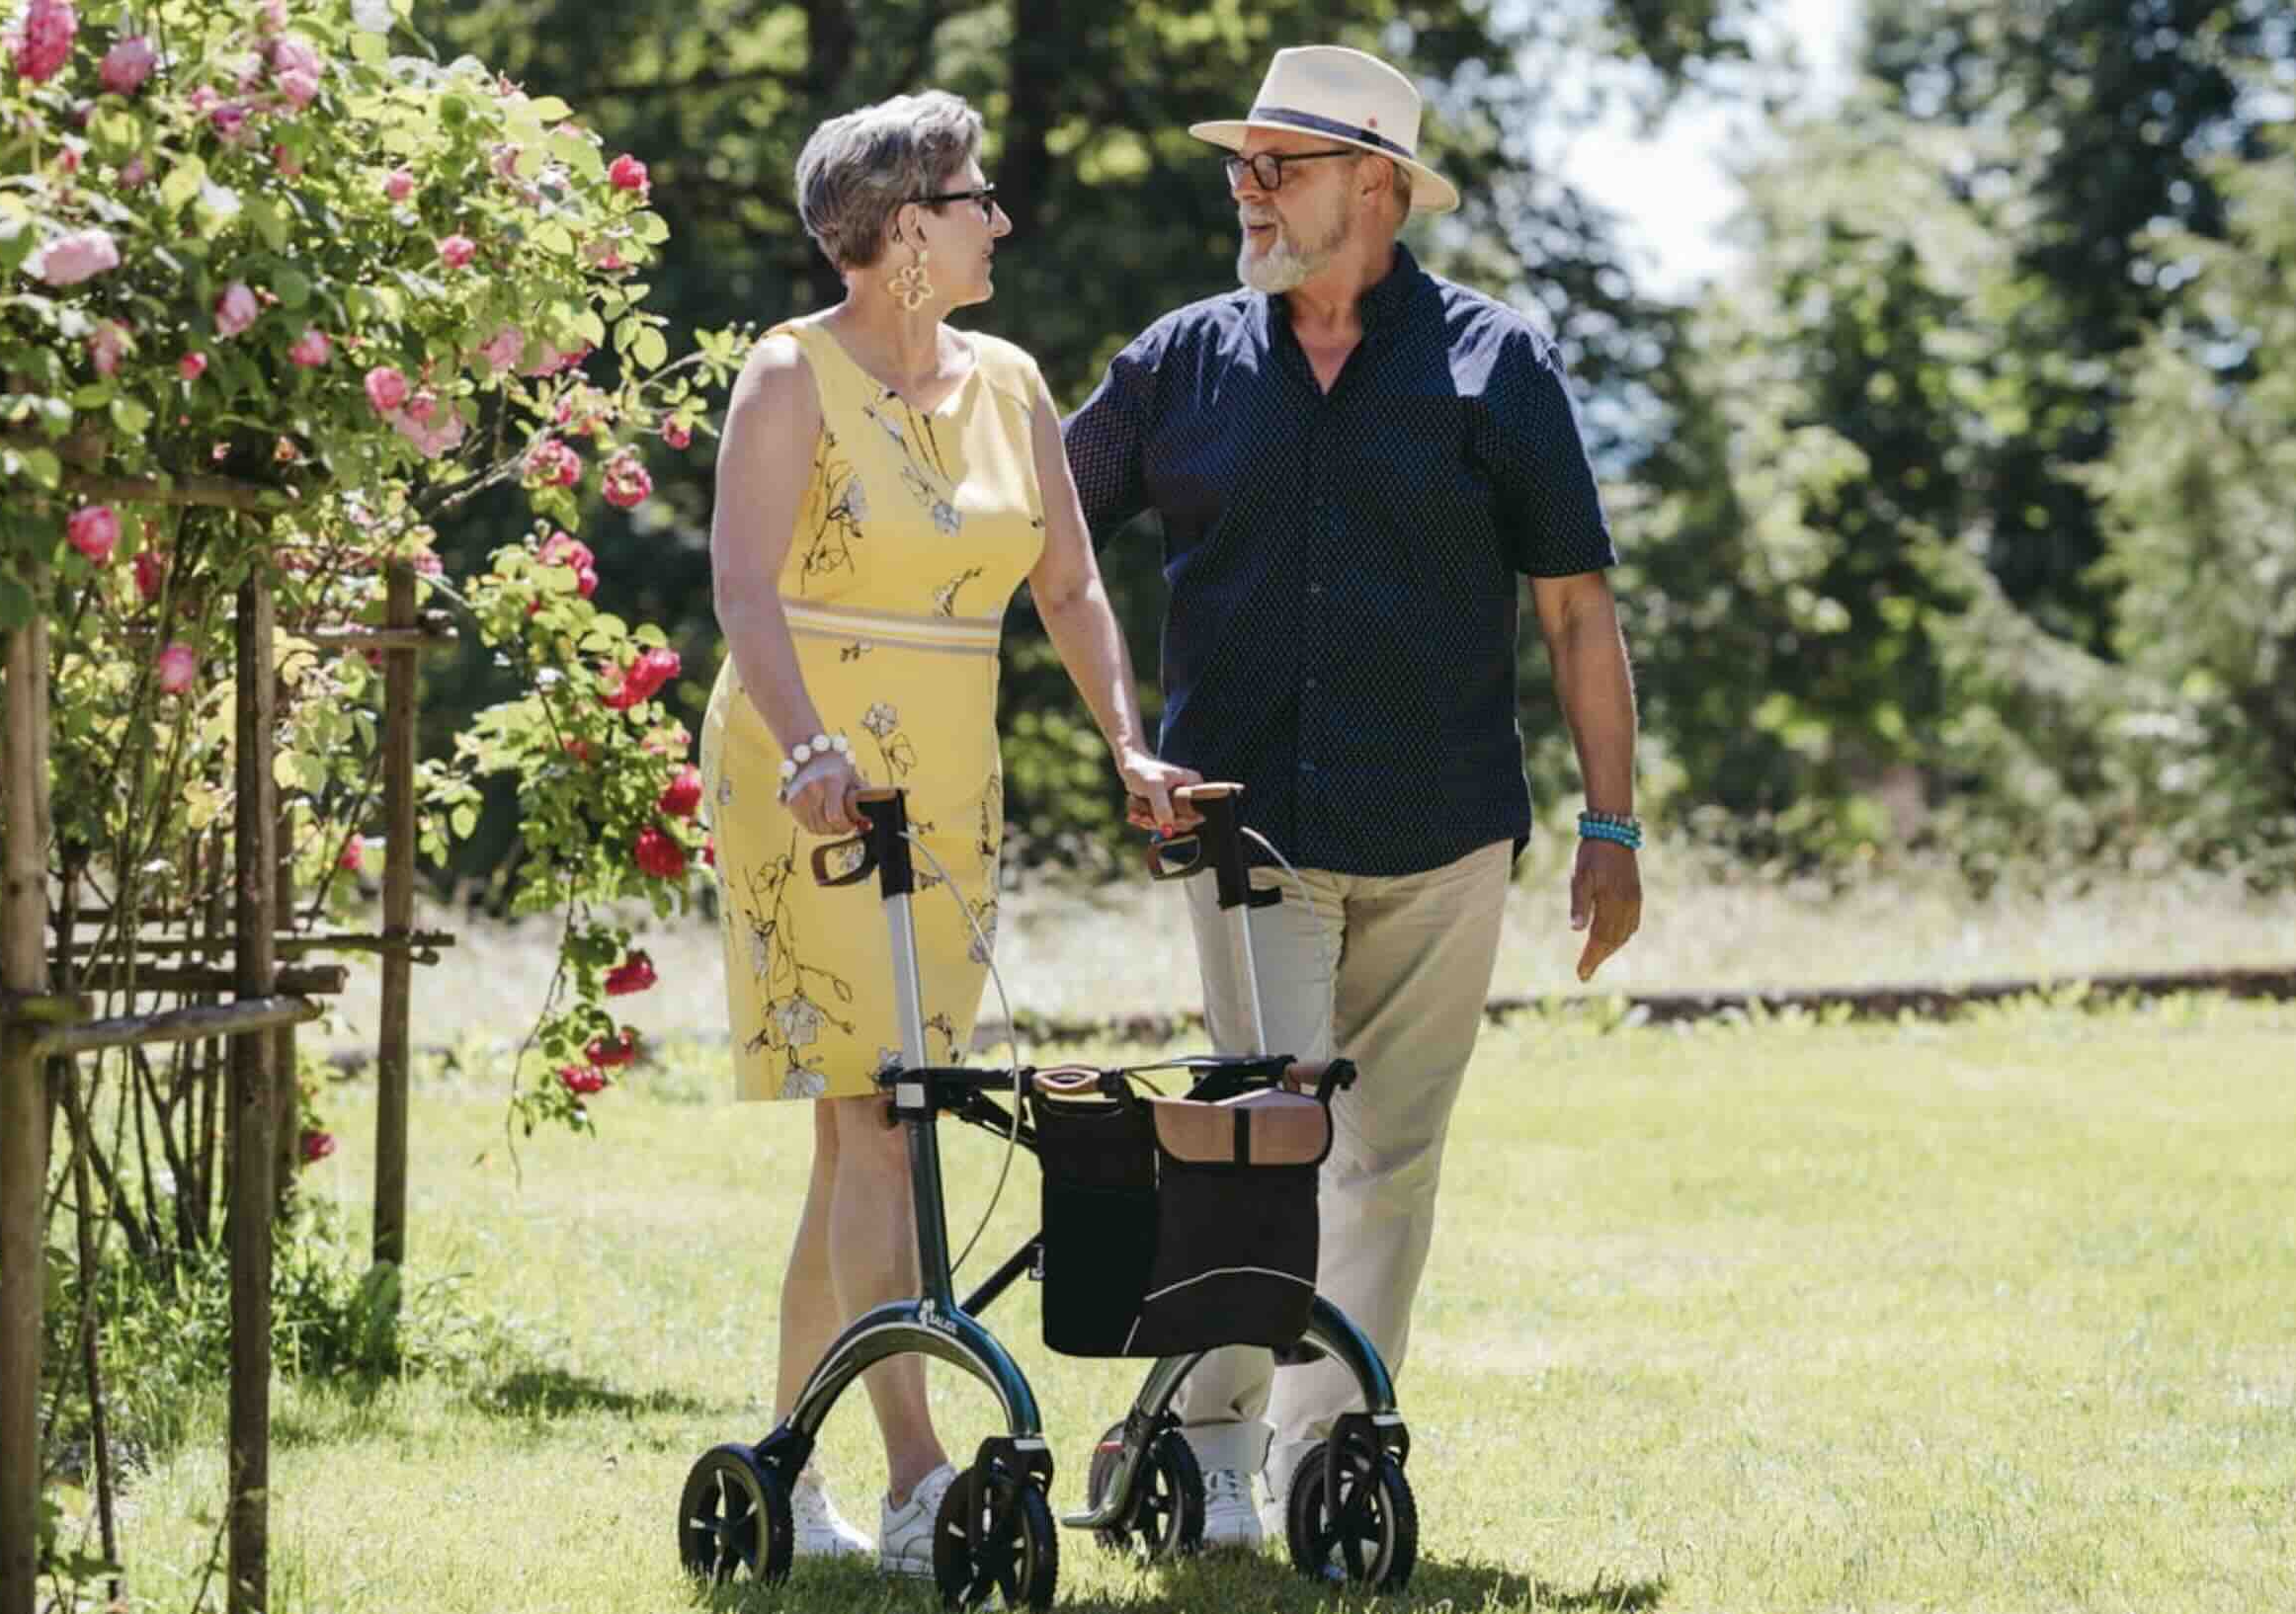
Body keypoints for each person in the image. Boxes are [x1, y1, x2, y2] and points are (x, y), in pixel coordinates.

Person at [1061, 43, 1647, 1549]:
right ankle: (1206, 1458)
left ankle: (1334, 1462)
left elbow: (1579, 611)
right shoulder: (1180, 360)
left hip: (1444, 832)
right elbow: (1040, 532)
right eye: (1242, 164)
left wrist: (1612, 824)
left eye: (1284, 164)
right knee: (1262, 1136)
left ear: (1378, 187)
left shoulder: (1492, 365)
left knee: (1388, 1158)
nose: (1248, 189)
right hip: (1244, 832)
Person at [700, 89, 1198, 1574]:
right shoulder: (789, 376)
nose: (999, 217)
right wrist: (804, 747)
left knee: (859, 1130)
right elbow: (741, 585)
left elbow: (1071, 584)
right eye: (974, 197)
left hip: (954, 786)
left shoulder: (1011, 380)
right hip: (814, 781)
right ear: (905, 229)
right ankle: (920, 1473)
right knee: (878, 1113)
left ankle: (781, 1464)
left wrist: (1126, 737)